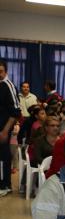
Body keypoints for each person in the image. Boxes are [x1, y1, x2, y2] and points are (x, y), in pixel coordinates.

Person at [0, 59, 21, 196]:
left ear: (5, 71)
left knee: (4, 156)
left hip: (3, 129)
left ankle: (5, 185)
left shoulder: (9, 86)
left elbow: (16, 112)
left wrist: (5, 131)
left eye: (0, 71)